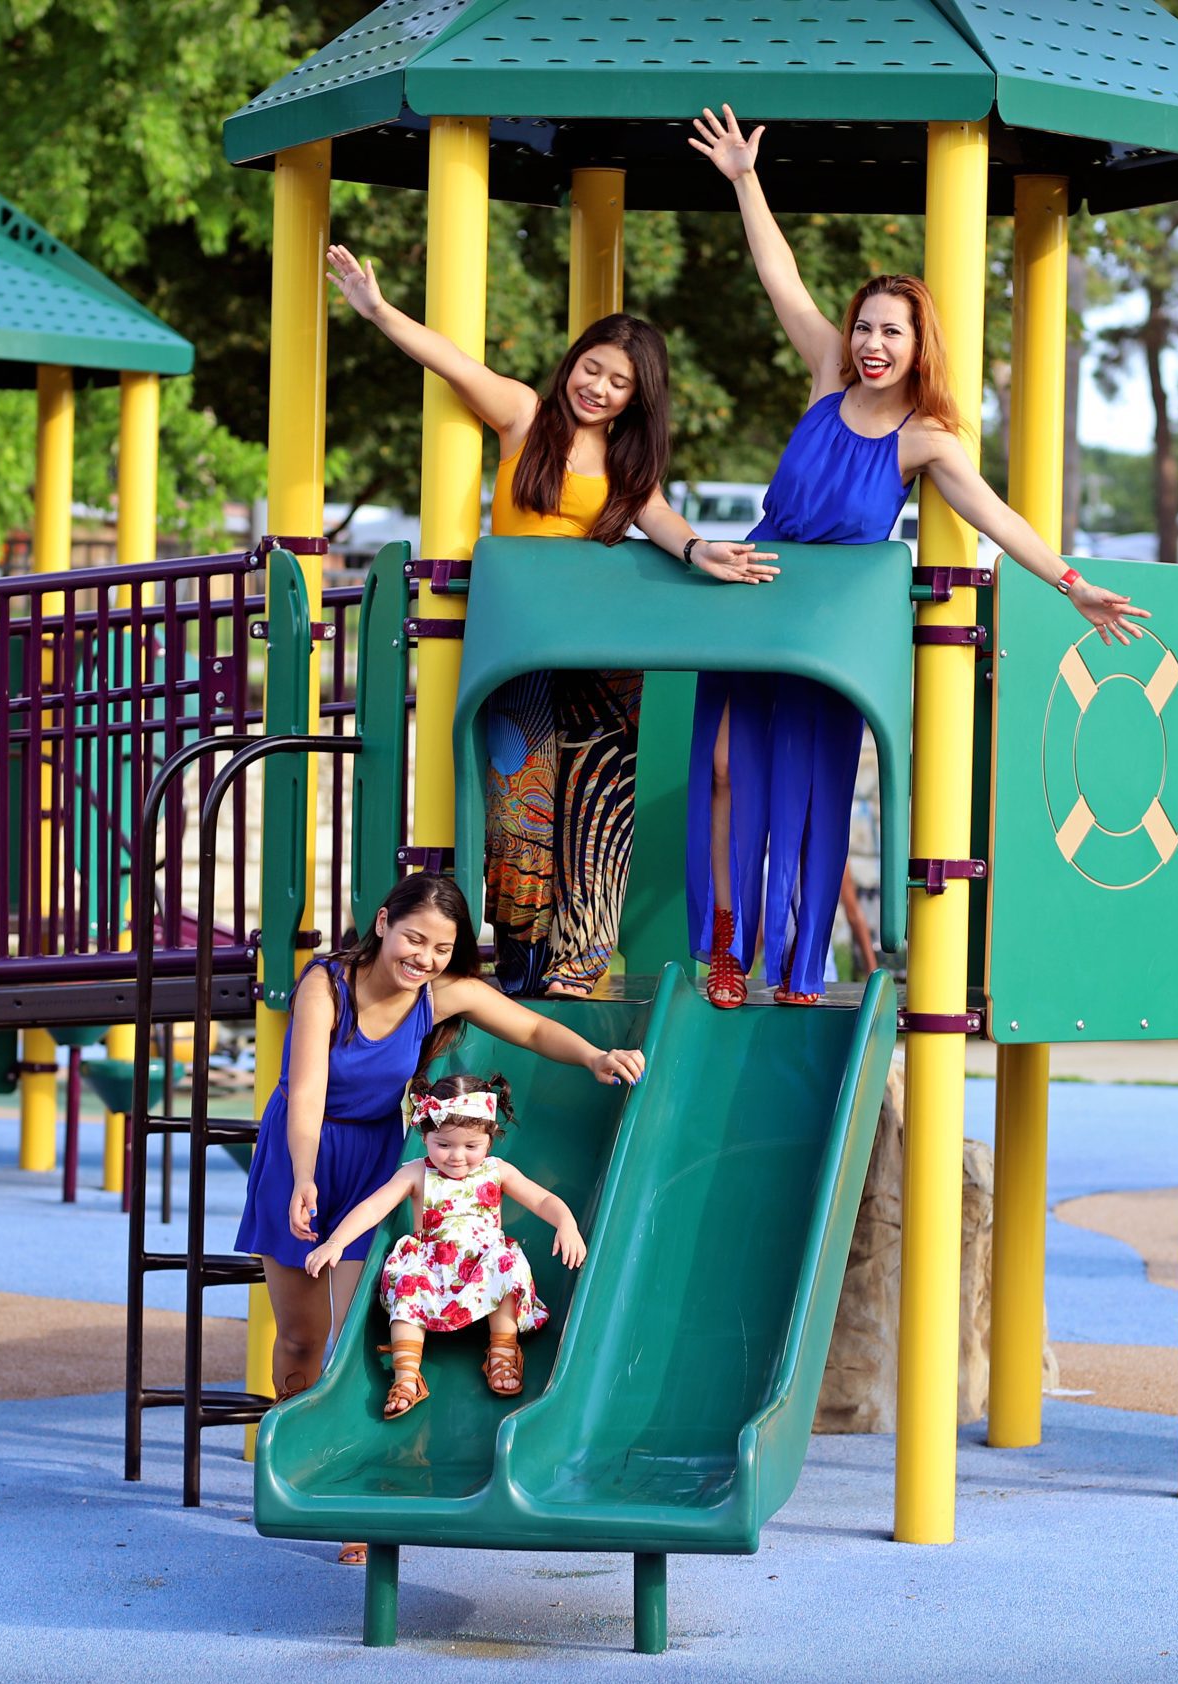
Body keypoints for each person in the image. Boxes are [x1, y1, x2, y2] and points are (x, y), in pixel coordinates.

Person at [680, 105, 1148, 1009]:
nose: (871, 343)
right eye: (865, 326)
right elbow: (779, 277)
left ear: (916, 343)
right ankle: (730, 942)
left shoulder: (924, 439)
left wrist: (1072, 582)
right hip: (750, 597)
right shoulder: (826, 375)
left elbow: (996, 516)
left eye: (891, 331)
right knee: (729, 770)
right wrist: (745, 178)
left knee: (812, 792)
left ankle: (801, 961)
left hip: (827, 628)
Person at [327, 244, 775, 996]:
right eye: (591, 368)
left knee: (601, 801)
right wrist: (377, 309)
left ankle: (580, 963)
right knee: (520, 799)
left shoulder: (631, 463)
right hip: (522, 643)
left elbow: (658, 517)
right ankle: (523, 955)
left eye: (618, 381)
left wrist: (701, 551)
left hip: (601, 648)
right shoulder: (525, 417)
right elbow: (452, 362)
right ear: (573, 363)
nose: (597, 387)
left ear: (638, 395)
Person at [232, 872, 640, 1492]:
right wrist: (304, 1178)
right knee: (299, 1336)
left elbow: (528, 1028)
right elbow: (307, 1094)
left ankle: (349, 1484)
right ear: (382, 924)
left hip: (373, 1160)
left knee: (353, 1338)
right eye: (413, 939)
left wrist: (594, 1057)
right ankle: (290, 1469)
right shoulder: (327, 986)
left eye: (442, 949)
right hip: (301, 1151)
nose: (423, 958)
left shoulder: (439, 994)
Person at [303, 1071, 584, 1419]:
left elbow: (542, 1200)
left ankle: (502, 1353)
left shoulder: (497, 1171)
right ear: (425, 1136)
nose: (456, 1156)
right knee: (408, 1280)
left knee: (507, 1262)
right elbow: (374, 1206)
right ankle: (406, 1375)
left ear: (490, 1141)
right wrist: (336, 1242)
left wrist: (566, 1222)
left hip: (481, 1263)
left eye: (471, 1146)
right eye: (444, 1144)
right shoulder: (416, 1173)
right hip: (432, 1265)